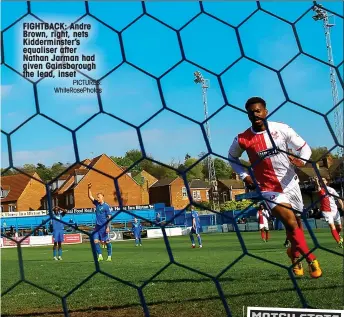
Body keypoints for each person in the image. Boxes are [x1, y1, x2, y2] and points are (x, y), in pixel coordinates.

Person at [228, 96, 322, 278]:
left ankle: (294, 256)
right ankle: (312, 260)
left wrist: (301, 160)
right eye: (251, 112)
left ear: (265, 112)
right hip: (268, 188)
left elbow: (305, 148)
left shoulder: (282, 129)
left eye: (258, 111)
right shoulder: (242, 139)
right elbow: (232, 159)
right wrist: (245, 176)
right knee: (291, 222)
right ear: (247, 115)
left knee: (296, 225)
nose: (255, 114)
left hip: (290, 183)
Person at [314, 177, 343, 248]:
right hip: (326, 211)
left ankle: (338, 234)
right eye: (321, 181)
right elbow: (318, 187)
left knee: (339, 227)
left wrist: (342, 205)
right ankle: (338, 242)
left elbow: (338, 198)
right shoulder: (320, 189)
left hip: (335, 210)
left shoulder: (331, 189)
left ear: (326, 181)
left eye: (323, 180)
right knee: (332, 226)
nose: (322, 181)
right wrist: (316, 181)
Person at [88, 183, 112, 262]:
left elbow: (109, 217)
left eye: (98, 197)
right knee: (95, 241)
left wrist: (108, 227)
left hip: (104, 227)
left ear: (102, 197)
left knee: (107, 242)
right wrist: (89, 188)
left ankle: (109, 256)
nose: (97, 198)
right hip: (97, 227)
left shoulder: (106, 206)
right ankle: (100, 255)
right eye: (97, 197)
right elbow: (90, 197)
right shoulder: (97, 204)